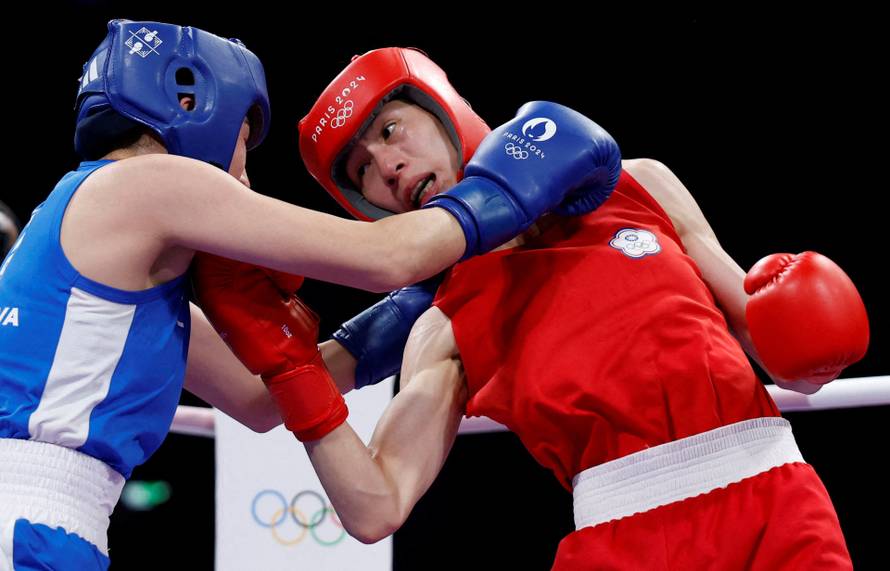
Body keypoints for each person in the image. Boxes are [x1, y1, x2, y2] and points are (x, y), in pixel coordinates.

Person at [195, 48, 869, 569]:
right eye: (365, 169)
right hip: (621, 533)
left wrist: (807, 329)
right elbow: (374, 505)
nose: (389, 166)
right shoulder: (444, 321)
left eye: (392, 130)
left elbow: (788, 360)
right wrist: (291, 367)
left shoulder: (639, 183)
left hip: (772, 496)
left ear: (442, 106)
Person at [0, 22, 604, 569]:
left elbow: (259, 401)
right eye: (244, 140)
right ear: (191, 102)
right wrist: (514, 178)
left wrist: (398, 319)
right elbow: (388, 256)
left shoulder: (114, 266)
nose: (243, 174)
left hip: (54, 521)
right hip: (29, 516)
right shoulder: (146, 183)